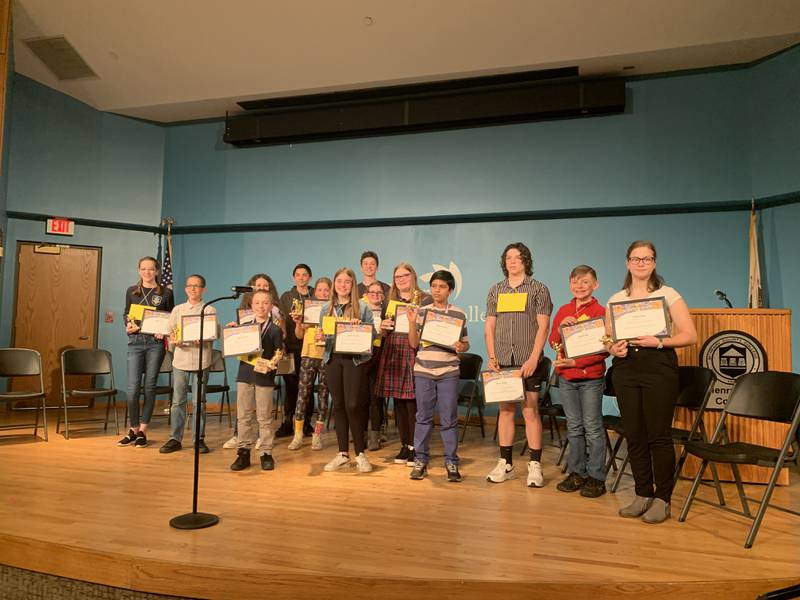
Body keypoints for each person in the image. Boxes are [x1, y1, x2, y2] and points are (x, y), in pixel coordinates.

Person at [605, 240, 697, 524]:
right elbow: (609, 337)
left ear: (654, 262)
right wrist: (613, 348)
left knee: (658, 434)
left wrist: (659, 341)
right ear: (627, 263)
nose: (641, 263)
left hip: (659, 365)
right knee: (634, 433)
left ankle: (663, 498)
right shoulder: (616, 299)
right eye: (636, 258)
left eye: (647, 259)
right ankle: (642, 493)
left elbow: (690, 335)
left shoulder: (668, 294)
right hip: (626, 368)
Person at [485, 242, 552, 487]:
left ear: (526, 261)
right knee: (505, 411)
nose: (512, 261)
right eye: (508, 258)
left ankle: (535, 465)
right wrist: (492, 356)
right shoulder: (495, 290)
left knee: (530, 410)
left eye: (518, 257)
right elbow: (490, 326)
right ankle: (506, 463)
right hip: (503, 360)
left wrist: (534, 357)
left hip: (528, 361)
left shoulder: (538, 289)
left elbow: (543, 326)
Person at [548, 265, 609, 497]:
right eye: (575, 282)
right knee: (573, 427)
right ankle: (576, 472)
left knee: (593, 427)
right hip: (567, 378)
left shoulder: (601, 312)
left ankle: (596, 477)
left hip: (591, 378)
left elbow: (605, 349)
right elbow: (553, 342)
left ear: (595, 284)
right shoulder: (563, 310)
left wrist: (578, 364)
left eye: (585, 282)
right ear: (569, 284)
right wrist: (561, 328)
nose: (579, 286)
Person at [405, 270, 469, 482]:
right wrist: (412, 322)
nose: (437, 290)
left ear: (450, 290)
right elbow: (414, 344)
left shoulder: (459, 314)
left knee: (449, 418)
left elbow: (465, 343)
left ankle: (451, 461)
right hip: (423, 370)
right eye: (434, 286)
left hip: (448, 372)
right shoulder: (421, 311)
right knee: (423, 417)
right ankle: (420, 459)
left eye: (442, 287)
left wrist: (462, 345)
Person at [375, 262, 431, 467]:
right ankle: (405, 445)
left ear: (413, 276)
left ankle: (418, 446)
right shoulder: (389, 301)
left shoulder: (425, 299)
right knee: (398, 402)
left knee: (413, 403)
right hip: (393, 351)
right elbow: (383, 331)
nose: (401, 279)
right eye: (397, 277)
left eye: (405, 275)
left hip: (415, 351)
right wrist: (382, 327)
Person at [320, 268, 375, 473]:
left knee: (353, 405)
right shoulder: (326, 308)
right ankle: (343, 454)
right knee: (339, 405)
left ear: (353, 285)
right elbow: (323, 337)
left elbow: (373, 336)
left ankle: (360, 453)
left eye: (347, 282)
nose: (343, 285)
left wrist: (358, 328)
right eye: (339, 281)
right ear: (334, 284)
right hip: (333, 360)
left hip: (353, 361)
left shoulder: (362, 308)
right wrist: (320, 338)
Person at [118, 256, 175, 448]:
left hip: (154, 344)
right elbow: (126, 313)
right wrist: (128, 324)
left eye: (151, 269)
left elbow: (170, 318)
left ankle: (143, 430)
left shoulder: (165, 293)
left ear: (157, 271)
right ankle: (132, 429)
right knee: (132, 389)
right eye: (143, 269)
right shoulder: (131, 291)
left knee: (149, 386)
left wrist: (164, 330)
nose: (147, 272)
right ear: (139, 270)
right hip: (135, 342)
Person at [223, 273, 283, 449]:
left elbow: (279, 352)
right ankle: (243, 450)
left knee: (264, 417)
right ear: (251, 305)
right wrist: (232, 333)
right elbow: (235, 346)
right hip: (245, 375)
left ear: (271, 306)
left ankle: (266, 451)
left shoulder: (275, 330)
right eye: (257, 303)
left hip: (264, 377)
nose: (261, 306)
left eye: (265, 303)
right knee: (243, 416)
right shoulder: (245, 326)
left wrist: (273, 363)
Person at [160, 274, 217, 454]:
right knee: (177, 401)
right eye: (190, 286)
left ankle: (198, 439)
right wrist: (173, 341)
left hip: (201, 360)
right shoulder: (177, 310)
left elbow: (213, 333)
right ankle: (175, 438)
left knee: (199, 401)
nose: (193, 289)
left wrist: (204, 338)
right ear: (186, 289)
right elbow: (170, 334)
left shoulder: (209, 310)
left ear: (203, 290)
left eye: (197, 286)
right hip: (181, 360)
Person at [287, 277, 332, 451]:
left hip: (326, 357)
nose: (323, 293)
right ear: (315, 292)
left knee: (323, 396)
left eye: (326, 290)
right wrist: (299, 323)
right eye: (320, 290)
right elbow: (299, 335)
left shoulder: (332, 310)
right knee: (302, 394)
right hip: (307, 355)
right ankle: (297, 435)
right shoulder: (307, 309)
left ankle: (317, 436)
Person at [277, 264, 314, 437]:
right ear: (294, 278)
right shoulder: (286, 296)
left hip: (310, 347)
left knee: (308, 386)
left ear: (310, 277)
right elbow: (281, 321)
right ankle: (287, 421)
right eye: (298, 275)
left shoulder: (316, 296)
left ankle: (306, 422)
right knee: (291, 386)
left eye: (304, 275)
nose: (301, 278)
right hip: (290, 348)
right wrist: (282, 343)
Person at [363, 281, 387, 451]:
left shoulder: (388, 313)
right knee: (360, 397)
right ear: (367, 293)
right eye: (373, 292)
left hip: (379, 355)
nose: (376, 295)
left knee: (375, 397)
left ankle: (374, 434)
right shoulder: (360, 310)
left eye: (379, 293)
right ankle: (361, 432)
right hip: (362, 355)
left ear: (383, 296)